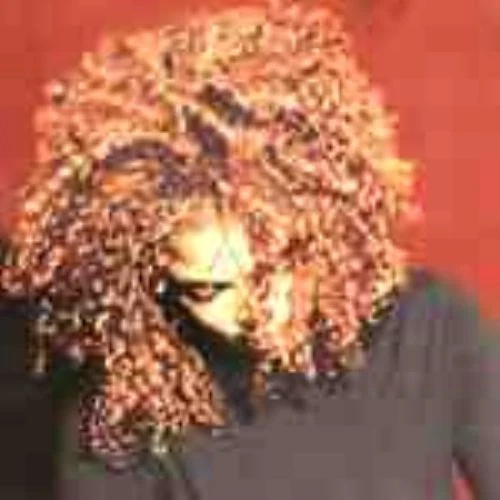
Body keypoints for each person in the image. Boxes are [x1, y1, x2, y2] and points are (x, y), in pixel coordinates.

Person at [1, 3, 499, 499]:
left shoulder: (432, 331)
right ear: (151, 277)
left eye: (282, 265)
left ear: (329, 226)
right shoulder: (118, 421)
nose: (263, 311)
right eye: (211, 290)